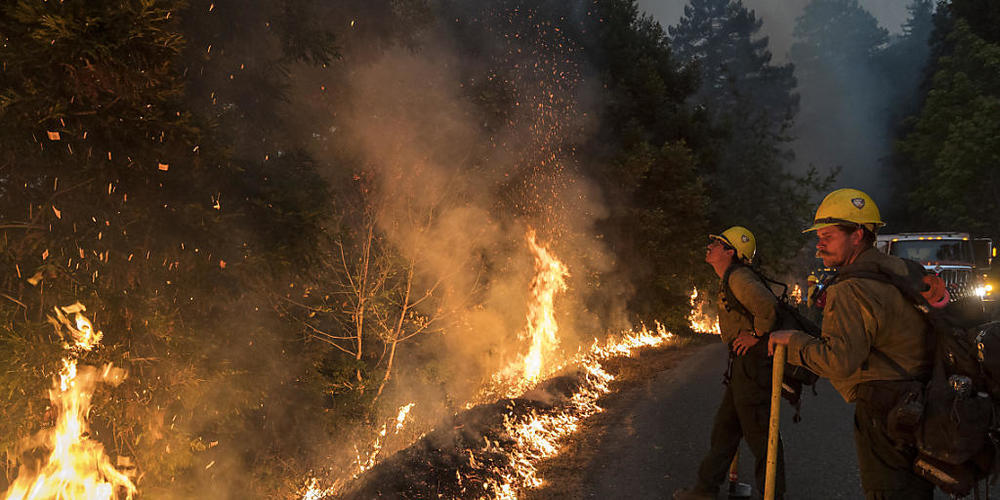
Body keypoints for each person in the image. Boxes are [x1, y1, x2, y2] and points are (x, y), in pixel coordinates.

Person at [768, 188, 934, 499]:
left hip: (883, 410)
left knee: (886, 493)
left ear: (857, 235)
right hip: (921, 402)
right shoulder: (900, 272)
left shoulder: (851, 288)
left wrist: (793, 340)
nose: (819, 244)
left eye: (828, 235)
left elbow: (839, 361)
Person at [674, 226, 785, 500]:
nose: (710, 246)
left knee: (761, 436)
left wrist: (756, 335)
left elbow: (769, 308)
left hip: (754, 366)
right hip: (743, 365)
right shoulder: (731, 277)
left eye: (717, 243)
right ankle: (705, 488)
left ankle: (773, 495)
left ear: (731, 252)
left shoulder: (740, 278)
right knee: (725, 429)